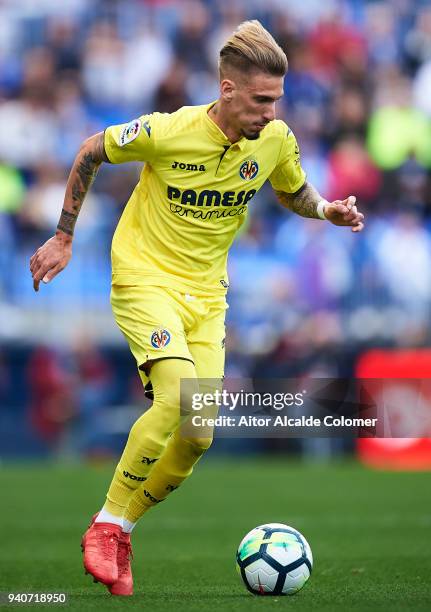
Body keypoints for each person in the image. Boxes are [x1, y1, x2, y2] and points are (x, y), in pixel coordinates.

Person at [29, 20, 364, 597]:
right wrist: (63, 236)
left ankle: (123, 527)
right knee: (174, 400)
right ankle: (107, 523)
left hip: (207, 297)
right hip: (145, 279)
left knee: (198, 434)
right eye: (261, 99)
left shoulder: (275, 139)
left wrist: (325, 210)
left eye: (277, 100)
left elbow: (291, 189)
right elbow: (92, 150)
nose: (271, 111)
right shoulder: (169, 131)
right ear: (228, 90)